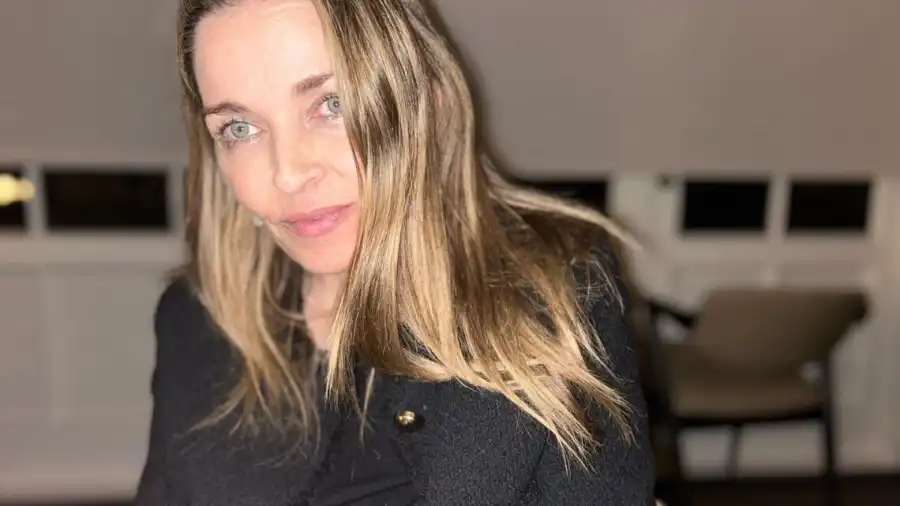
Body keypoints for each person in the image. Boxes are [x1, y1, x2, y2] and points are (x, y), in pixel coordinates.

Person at [135, 0, 655, 504]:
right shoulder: (195, 321)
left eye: (332, 104)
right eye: (240, 128)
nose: (288, 173)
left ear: (429, 101)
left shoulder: (552, 297)